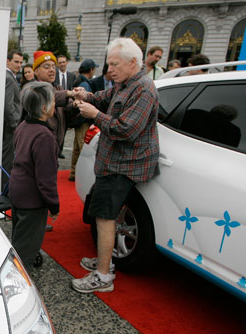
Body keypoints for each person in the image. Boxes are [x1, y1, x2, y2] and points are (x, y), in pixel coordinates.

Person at [71, 37, 159, 293]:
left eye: (114, 64)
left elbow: (127, 130)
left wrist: (94, 115)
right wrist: (85, 95)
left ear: (133, 63)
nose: (109, 70)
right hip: (113, 162)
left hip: (122, 165)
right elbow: (103, 96)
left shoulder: (143, 88)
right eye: (108, 64)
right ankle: (104, 262)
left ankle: (103, 276)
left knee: (106, 217)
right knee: (104, 214)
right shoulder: (124, 84)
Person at [9, 81, 59, 272]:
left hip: (18, 192)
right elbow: (45, 178)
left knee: (19, 236)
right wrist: (54, 205)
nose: (55, 104)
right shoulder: (43, 136)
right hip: (32, 199)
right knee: (25, 249)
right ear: (44, 107)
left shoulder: (23, 126)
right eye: (53, 101)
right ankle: (18, 284)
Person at [32, 50, 78, 160]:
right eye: (47, 67)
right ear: (36, 71)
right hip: (38, 145)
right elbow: (48, 95)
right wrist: (69, 93)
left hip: (55, 145)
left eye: (53, 66)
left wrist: (76, 105)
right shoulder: (31, 88)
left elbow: (68, 108)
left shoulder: (58, 88)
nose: (52, 70)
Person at [68, 58, 98, 182]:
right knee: (82, 148)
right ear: (90, 70)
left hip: (77, 120)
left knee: (76, 147)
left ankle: (73, 173)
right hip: (83, 120)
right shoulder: (85, 84)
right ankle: (82, 176)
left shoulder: (79, 80)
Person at [2, 50, 23, 190]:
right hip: (10, 127)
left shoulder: (10, 77)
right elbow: (8, 105)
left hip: (8, 126)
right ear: (7, 61)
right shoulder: (8, 78)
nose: (19, 65)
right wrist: (15, 124)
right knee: (7, 159)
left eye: (21, 62)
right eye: (16, 62)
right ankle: (5, 189)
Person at [53, 55, 76, 159]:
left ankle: (60, 150)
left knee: (64, 129)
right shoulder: (54, 75)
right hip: (57, 106)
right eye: (60, 62)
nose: (62, 64)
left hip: (67, 105)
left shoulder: (71, 76)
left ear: (67, 63)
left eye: (63, 62)